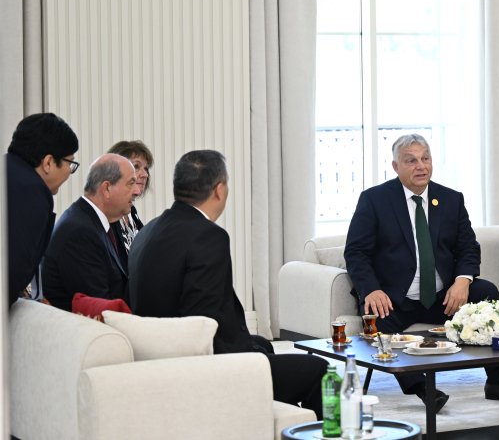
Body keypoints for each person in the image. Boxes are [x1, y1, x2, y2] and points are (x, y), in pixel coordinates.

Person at [128, 150, 327, 416]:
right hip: (204, 370)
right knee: (322, 371)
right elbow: (204, 322)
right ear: (219, 190)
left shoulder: (148, 230)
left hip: (159, 356)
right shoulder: (208, 236)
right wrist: (249, 355)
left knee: (263, 344)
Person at [344, 134, 499, 413]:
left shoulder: (450, 199)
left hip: (444, 298)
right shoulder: (374, 200)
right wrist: (371, 289)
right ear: (396, 166)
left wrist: (462, 280)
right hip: (395, 298)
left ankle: (496, 380)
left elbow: (468, 247)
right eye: (411, 161)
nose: (421, 166)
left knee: (487, 293)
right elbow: (356, 252)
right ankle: (423, 389)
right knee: (376, 319)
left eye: (425, 158)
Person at [41, 154, 140, 311]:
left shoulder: (89, 221)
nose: (137, 191)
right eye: (131, 183)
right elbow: (100, 310)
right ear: (106, 188)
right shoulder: (80, 233)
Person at [6, 113, 79, 305]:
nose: (69, 172)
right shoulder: (32, 192)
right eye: (70, 163)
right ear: (48, 162)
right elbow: (13, 272)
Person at [106, 140, 153, 268]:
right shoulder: (109, 214)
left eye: (146, 168)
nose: (145, 174)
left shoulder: (131, 211)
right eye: (136, 166)